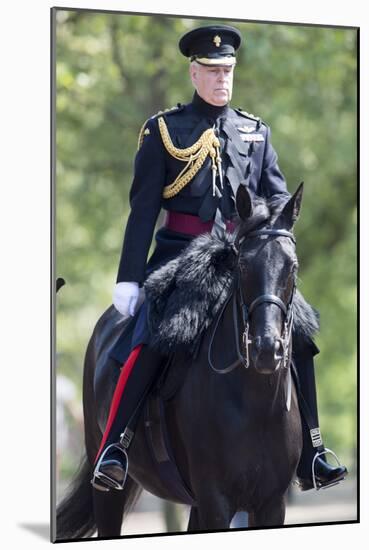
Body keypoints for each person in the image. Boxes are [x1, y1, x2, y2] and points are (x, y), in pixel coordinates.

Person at [91, 24, 347, 493]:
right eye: (212, 71)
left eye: (227, 70)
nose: (221, 78)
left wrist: (270, 232)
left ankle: (312, 449)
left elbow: (277, 199)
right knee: (150, 334)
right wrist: (128, 278)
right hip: (181, 259)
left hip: (244, 259)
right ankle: (117, 445)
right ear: (194, 73)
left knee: (302, 331)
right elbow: (144, 210)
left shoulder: (255, 132)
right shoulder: (164, 130)